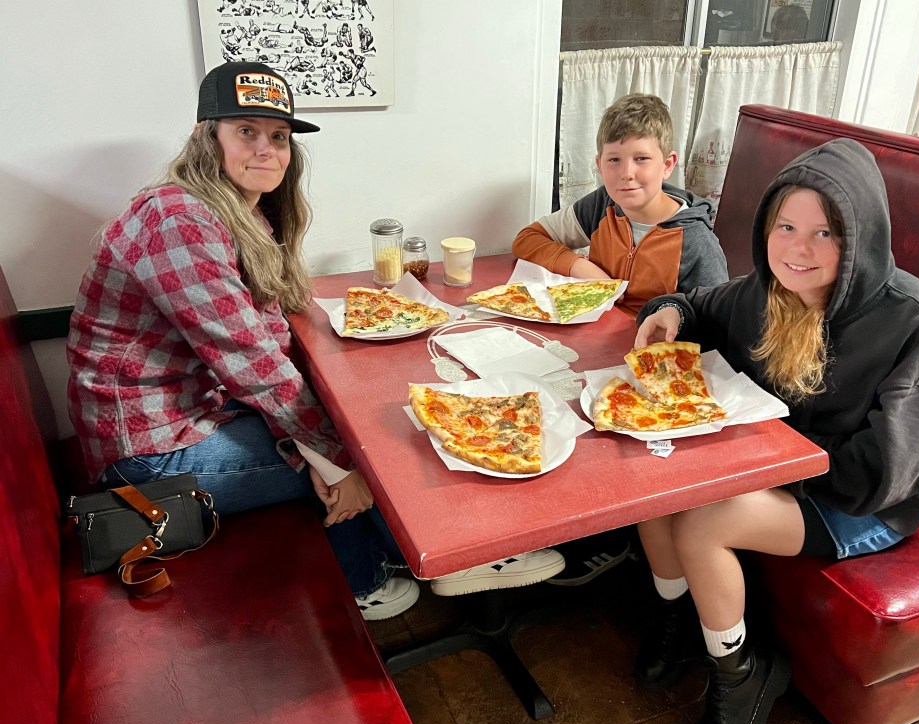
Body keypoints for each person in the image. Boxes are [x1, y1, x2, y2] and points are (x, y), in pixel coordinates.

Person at [66, 61, 563, 622]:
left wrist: (329, 442)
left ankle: (416, 556)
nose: (266, 149)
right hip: (150, 453)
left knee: (355, 427)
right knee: (373, 454)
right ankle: (388, 574)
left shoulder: (240, 212)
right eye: (246, 131)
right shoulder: (178, 220)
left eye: (279, 136)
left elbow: (269, 332)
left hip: (201, 406)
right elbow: (253, 364)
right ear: (207, 137)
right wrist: (340, 466)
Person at [631, 138, 919, 724]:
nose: (798, 249)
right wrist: (669, 312)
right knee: (653, 488)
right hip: (784, 470)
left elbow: (884, 472)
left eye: (824, 233)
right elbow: (698, 306)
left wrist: (763, 458)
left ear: (861, 239)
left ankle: (740, 673)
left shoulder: (913, 318)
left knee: (702, 521)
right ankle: (678, 620)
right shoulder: (765, 291)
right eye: (785, 226)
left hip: (867, 503)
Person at [513, 93, 729, 586]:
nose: (627, 174)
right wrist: (580, 265)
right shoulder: (600, 206)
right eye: (614, 160)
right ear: (598, 164)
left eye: (641, 159)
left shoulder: (696, 241)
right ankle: (563, 530)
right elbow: (528, 238)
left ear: (668, 164)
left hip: (653, 370)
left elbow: (717, 322)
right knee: (537, 405)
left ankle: (610, 542)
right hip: (590, 347)